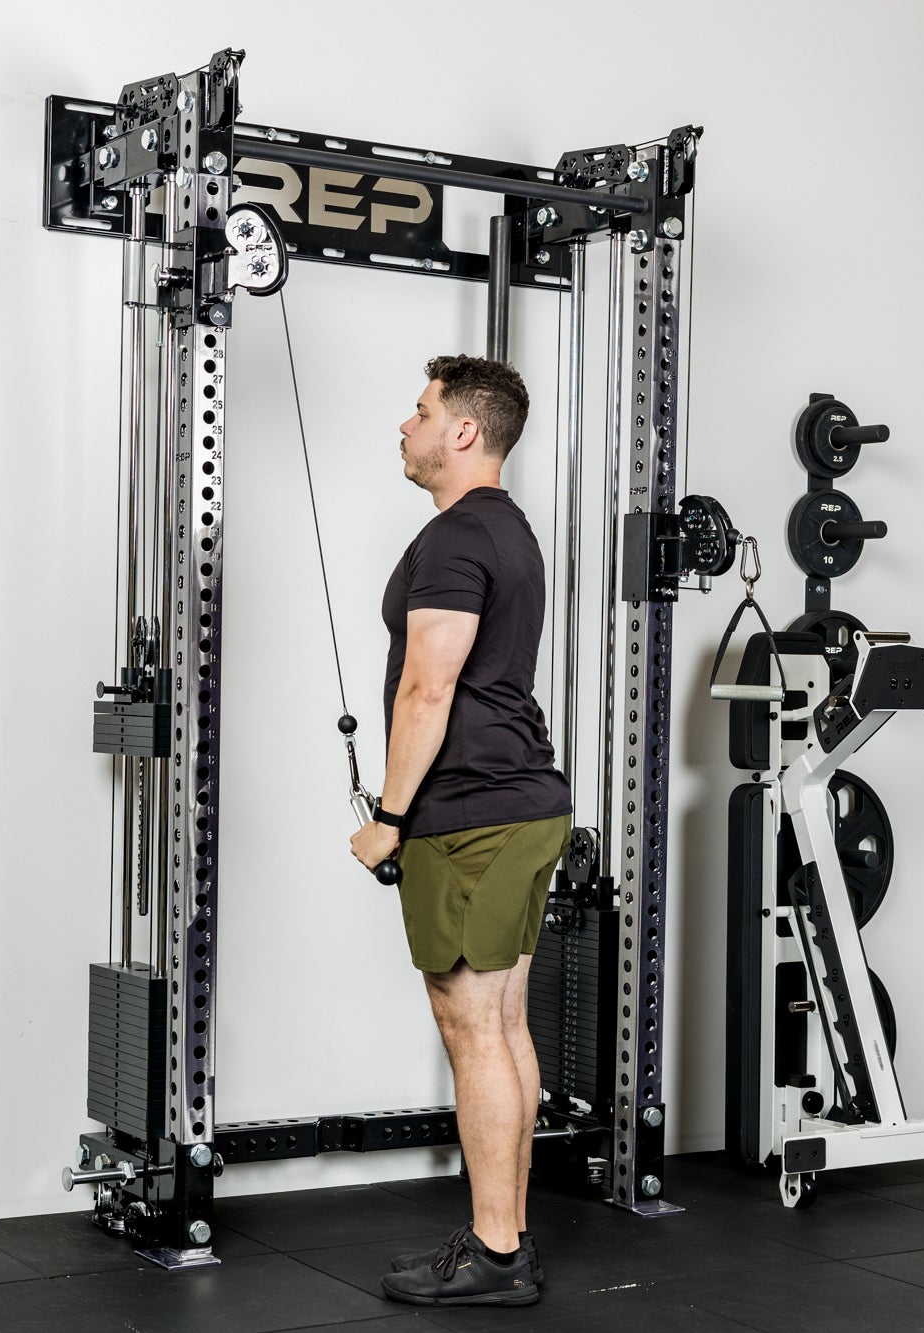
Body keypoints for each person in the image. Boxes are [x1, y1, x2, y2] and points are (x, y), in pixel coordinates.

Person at [352, 355, 571, 1308]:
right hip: (520, 802)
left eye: (421, 411)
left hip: (474, 811)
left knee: (471, 1025)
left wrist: (388, 817)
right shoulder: (507, 528)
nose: (406, 426)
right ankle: (505, 1237)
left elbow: (427, 686)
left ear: (464, 431)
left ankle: (495, 1252)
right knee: (502, 1023)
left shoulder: (454, 538)